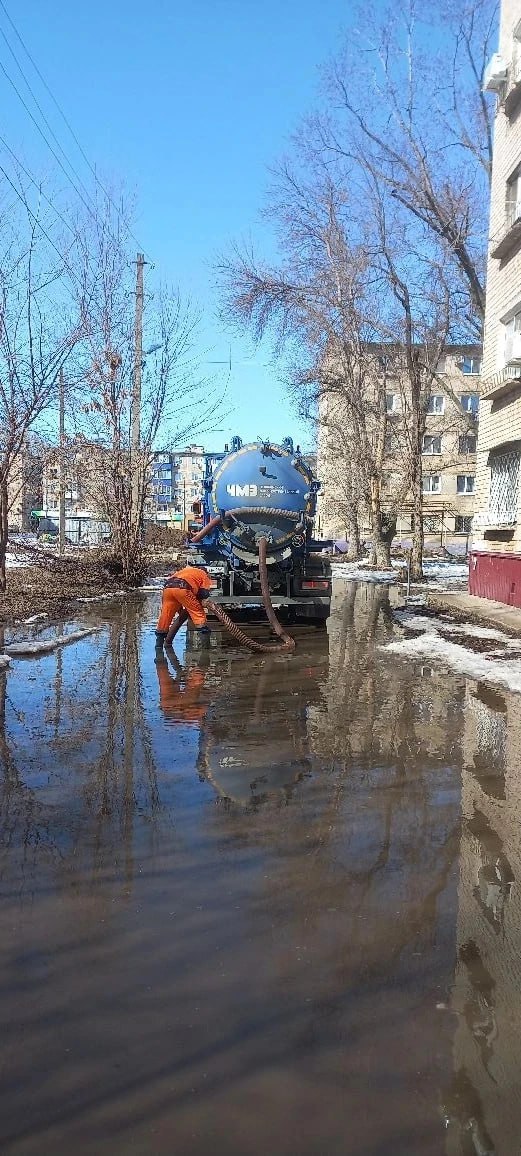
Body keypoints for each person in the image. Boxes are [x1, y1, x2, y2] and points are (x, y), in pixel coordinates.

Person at [155, 564, 217, 648]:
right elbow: (204, 593)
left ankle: (159, 648)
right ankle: (205, 646)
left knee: (165, 615)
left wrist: (184, 609)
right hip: (183, 588)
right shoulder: (203, 574)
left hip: (167, 588)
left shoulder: (184, 571)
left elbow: (178, 601)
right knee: (198, 613)